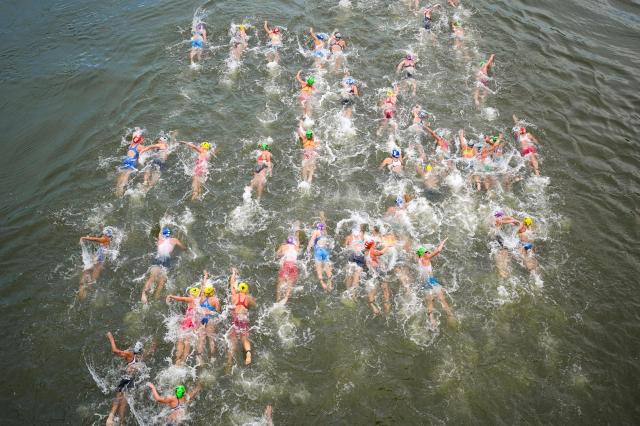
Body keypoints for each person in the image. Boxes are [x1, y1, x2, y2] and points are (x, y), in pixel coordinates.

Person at [105, 332, 145, 426]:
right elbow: (150, 351)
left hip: (126, 378)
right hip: (132, 380)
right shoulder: (140, 357)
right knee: (124, 402)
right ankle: (120, 422)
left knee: (118, 397)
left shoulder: (130, 354)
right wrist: (154, 344)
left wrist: (111, 338)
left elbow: (114, 350)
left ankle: (110, 419)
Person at [416, 238, 455, 328]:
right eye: (426, 252)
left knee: (430, 303)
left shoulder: (419, 259)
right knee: (442, 299)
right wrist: (443, 242)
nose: (428, 253)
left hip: (425, 282)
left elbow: (418, 253)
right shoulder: (426, 259)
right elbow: (438, 250)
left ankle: (432, 322)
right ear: (424, 254)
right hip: (431, 281)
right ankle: (450, 316)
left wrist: (419, 250)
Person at [141, 227, 186, 303]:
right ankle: (156, 297)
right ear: (170, 235)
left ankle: (143, 294)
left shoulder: (160, 240)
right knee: (162, 281)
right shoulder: (174, 240)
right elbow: (183, 247)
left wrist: (162, 226)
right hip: (166, 261)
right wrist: (185, 247)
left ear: (163, 235)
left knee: (152, 278)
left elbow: (160, 233)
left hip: (158, 259)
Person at [116, 130, 164, 197]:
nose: (143, 140)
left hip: (126, 160)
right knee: (127, 175)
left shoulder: (132, 145)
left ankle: (118, 190)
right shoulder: (139, 147)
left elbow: (134, 140)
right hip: (131, 161)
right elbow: (147, 149)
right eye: (142, 139)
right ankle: (121, 190)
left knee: (122, 174)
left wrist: (137, 132)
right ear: (140, 141)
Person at [227, 268, 257, 366]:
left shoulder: (234, 296)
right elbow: (255, 305)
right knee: (245, 338)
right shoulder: (248, 298)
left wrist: (234, 273)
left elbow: (231, 284)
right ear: (246, 290)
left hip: (236, 319)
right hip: (243, 318)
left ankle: (230, 361)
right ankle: (248, 354)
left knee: (233, 339)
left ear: (239, 289)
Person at [166, 286, 201, 366]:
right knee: (187, 342)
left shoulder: (191, 299)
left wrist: (171, 296)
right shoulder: (199, 300)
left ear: (191, 294)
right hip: (193, 323)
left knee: (181, 340)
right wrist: (204, 279)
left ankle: (177, 360)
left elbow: (181, 299)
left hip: (187, 322)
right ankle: (183, 361)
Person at [79, 227, 112, 298]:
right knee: (94, 263)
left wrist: (84, 238)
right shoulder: (108, 239)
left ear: (106, 235)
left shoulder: (104, 239)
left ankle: (89, 285)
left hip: (100, 255)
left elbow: (95, 239)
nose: (102, 235)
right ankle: (89, 283)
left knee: (96, 268)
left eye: (104, 234)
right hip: (101, 253)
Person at [196, 271, 220, 363]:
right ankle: (213, 358)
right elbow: (218, 312)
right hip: (210, 319)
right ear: (212, 292)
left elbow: (202, 286)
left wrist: (205, 276)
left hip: (202, 318)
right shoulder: (215, 300)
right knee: (211, 338)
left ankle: (198, 358)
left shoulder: (202, 296)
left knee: (201, 338)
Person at [306, 212, 333, 291]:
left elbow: (311, 240)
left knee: (319, 269)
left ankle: (323, 284)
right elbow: (324, 223)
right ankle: (330, 284)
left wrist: (308, 248)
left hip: (318, 251)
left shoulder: (316, 232)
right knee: (327, 268)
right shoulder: (325, 232)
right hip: (325, 251)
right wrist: (322, 216)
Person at [364, 240, 389, 315]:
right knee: (385, 288)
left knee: (372, 289)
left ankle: (372, 305)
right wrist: (387, 247)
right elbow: (381, 253)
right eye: (374, 244)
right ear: (371, 246)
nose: (375, 245)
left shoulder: (365, 252)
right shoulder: (372, 251)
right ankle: (386, 305)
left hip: (370, 272)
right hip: (377, 271)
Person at [275, 233, 300, 304]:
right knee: (290, 283)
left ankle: (277, 300)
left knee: (280, 282)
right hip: (293, 265)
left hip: (286, 264)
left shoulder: (283, 246)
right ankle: (286, 298)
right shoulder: (296, 247)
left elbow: (277, 255)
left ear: (287, 241)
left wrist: (278, 255)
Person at [344, 224, 367, 290]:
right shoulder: (362, 236)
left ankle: (348, 291)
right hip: (360, 256)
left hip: (352, 256)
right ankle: (353, 294)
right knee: (356, 275)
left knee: (350, 274)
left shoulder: (349, 237)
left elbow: (345, 248)